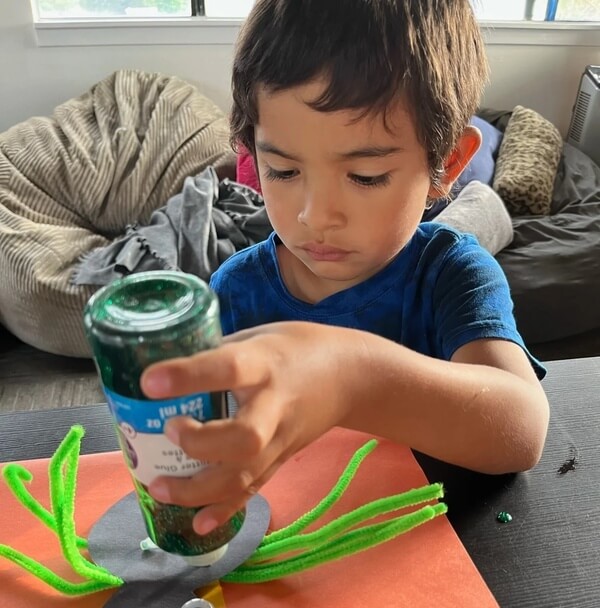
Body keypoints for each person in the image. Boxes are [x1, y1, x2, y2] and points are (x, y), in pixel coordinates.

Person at [141, 0, 549, 536]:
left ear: (446, 163)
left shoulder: (450, 273)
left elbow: (520, 433)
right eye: (282, 171)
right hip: (289, 549)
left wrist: (350, 381)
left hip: (423, 554)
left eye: (365, 176)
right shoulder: (236, 291)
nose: (316, 216)